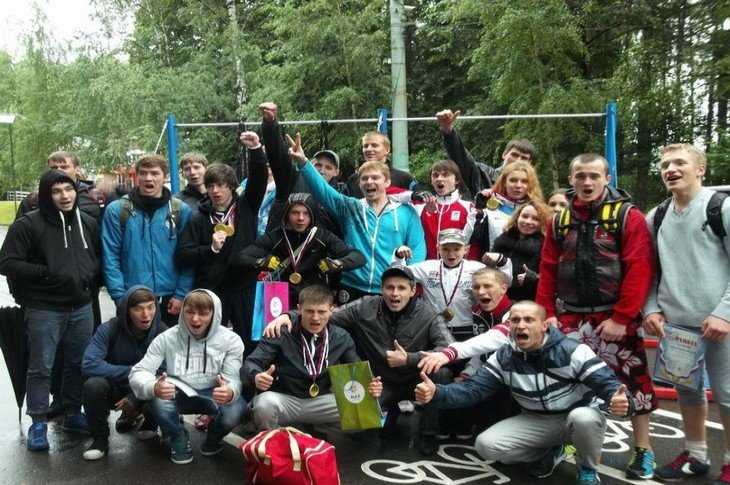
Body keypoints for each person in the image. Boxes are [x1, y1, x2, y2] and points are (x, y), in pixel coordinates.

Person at [414, 300, 634, 485]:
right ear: (508, 326)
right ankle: (551, 451)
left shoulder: (573, 350)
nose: (521, 325)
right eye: (515, 320)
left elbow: (607, 384)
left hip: (574, 417)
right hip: (536, 419)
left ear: (544, 326)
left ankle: (587, 468)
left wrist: (621, 401)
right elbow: (473, 390)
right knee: (486, 446)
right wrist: (436, 393)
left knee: (584, 417)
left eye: (529, 320)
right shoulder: (503, 357)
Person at [536, 153, 657, 479]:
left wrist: (622, 317)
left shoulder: (628, 216)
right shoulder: (558, 220)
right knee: (566, 384)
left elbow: (639, 267)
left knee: (635, 384)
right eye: (580, 176)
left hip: (615, 316)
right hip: (570, 318)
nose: (587, 182)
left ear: (607, 178)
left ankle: (643, 450)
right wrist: (547, 312)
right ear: (571, 179)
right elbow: (548, 269)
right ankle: (568, 445)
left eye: (593, 176)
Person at [264, 265, 454, 455]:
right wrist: (289, 315)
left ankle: (429, 433)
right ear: (381, 289)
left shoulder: (429, 312)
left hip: (416, 379)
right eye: (389, 287)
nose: (395, 293)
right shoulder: (364, 306)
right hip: (378, 383)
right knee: (362, 432)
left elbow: (449, 349)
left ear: (413, 291)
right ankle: (389, 413)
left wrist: (410, 359)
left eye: (401, 288)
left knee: (441, 373)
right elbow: (325, 314)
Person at [643, 144, 730, 484]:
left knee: (727, 393)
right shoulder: (657, 216)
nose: (671, 169)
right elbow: (649, 271)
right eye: (665, 164)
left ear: (700, 169)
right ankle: (696, 455)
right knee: (688, 391)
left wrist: (724, 313)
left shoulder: (721, 208)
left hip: (722, 322)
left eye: (680, 162)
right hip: (678, 325)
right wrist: (651, 308)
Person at [0, 170, 101, 451]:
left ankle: (72, 412)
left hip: (81, 306)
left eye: (68, 189)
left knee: (77, 362)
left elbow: (95, 257)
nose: (64, 196)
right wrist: (46, 272)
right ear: (47, 195)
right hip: (44, 308)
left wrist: (90, 276)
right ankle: (38, 422)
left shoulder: (87, 222)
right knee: (41, 367)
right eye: (57, 191)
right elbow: (6, 262)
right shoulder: (28, 225)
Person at [287, 131, 426, 303]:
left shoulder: (406, 212)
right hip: (351, 288)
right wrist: (303, 161)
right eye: (364, 179)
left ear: (387, 182)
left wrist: (405, 282)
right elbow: (324, 191)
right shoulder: (351, 207)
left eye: (375, 178)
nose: (369, 182)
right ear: (359, 184)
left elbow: (417, 250)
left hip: (389, 289)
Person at [129, 289, 246, 464]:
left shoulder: (231, 340)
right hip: (177, 392)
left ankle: (214, 437)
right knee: (157, 399)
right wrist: (153, 386)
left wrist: (229, 391)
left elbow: (233, 378)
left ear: (215, 315)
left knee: (237, 408)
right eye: (189, 312)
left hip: (213, 393)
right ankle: (177, 436)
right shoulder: (166, 338)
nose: (195, 319)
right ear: (182, 311)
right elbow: (139, 371)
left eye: (203, 313)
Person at [244, 285, 382, 431]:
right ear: (299, 309)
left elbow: (357, 373)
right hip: (286, 400)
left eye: (321, 312)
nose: (315, 318)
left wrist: (371, 385)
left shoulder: (341, 337)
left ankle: (325, 432)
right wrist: (256, 376)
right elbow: (252, 362)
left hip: (320, 402)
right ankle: (271, 439)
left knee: (364, 405)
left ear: (332, 310)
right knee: (264, 404)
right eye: (309, 311)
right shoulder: (280, 332)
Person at [175, 136, 267, 348]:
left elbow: (258, 179)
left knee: (248, 342)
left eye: (221, 185)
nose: (215, 191)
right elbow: (183, 255)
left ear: (232, 186)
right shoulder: (198, 218)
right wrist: (210, 249)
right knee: (211, 344)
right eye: (210, 186)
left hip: (244, 286)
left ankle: (249, 370)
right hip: (213, 290)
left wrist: (255, 149)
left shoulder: (247, 207)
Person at [102, 154, 194, 327]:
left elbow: (188, 257)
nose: (148, 178)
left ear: (164, 176)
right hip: (133, 296)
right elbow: (110, 256)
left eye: (154, 173)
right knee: (133, 344)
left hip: (171, 298)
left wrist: (181, 294)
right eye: (143, 173)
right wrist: (119, 296)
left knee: (170, 343)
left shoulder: (180, 210)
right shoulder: (117, 210)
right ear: (136, 176)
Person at [81, 286, 167, 460]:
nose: (146, 314)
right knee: (93, 385)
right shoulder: (109, 329)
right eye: (138, 309)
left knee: (166, 385)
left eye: (150, 307)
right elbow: (89, 364)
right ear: (127, 311)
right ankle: (100, 440)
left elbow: (166, 371)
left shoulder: (163, 332)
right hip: (116, 388)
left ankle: (153, 424)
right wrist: (133, 372)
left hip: (147, 389)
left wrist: (135, 397)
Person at [235, 192, 365, 302]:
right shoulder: (275, 237)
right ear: (287, 214)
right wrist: (261, 262)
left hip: (314, 299)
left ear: (313, 215)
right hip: (281, 298)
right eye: (295, 213)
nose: (301, 218)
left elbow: (358, 257)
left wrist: (338, 264)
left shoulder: (323, 237)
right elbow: (240, 258)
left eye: (306, 213)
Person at [393, 229, 509, 341]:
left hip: (466, 327)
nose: (451, 254)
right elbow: (396, 275)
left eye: (457, 249)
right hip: (433, 328)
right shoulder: (427, 268)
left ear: (466, 249)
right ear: (438, 248)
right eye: (445, 249)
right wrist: (398, 257)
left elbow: (505, 282)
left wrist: (503, 262)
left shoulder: (476, 268)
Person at [258, 102, 344, 237]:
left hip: (322, 247)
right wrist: (270, 124)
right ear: (310, 164)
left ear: (336, 172)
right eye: (318, 165)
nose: (322, 170)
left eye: (328, 167)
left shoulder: (341, 196)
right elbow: (278, 158)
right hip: (284, 245)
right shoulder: (293, 180)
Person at [436, 108, 536, 195]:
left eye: (524, 158)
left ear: (530, 164)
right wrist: (448, 130)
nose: (518, 160)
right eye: (514, 155)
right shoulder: (483, 174)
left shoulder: (532, 192)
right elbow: (462, 158)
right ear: (504, 154)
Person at [391, 160, 477, 260]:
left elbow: (475, 243)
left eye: (445, 175)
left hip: (458, 266)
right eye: (435, 175)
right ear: (431, 181)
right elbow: (386, 195)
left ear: (457, 180)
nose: (439, 178)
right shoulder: (421, 206)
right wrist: (413, 195)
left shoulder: (469, 208)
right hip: (427, 266)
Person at [468, 161, 544, 258]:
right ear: (504, 182)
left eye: (524, 181)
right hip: (489, 266)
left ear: (531, 184)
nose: (518, 185)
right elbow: (473, 246)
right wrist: (479, 210)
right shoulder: (487, 208)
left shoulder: (540, 212)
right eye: (513, 180)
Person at [17, 151, 104, 222]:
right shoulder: (33, 200)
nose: (58, 171)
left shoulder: (95, 196)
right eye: (54, 168)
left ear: (77, 169)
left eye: (64, 167)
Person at [491, 200, 551, 301]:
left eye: (535, 219)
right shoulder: (503, 238)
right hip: (497, 297)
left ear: (543, 222)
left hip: (526, 300)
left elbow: (549, 280)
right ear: (517, 218)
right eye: (524, 216)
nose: (528, 221)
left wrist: (534, 278)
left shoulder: (545, 246)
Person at [345, 131, 417, 198]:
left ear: (387, 150)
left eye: (374, 145)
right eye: (365, 146)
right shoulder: (353, 180)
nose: (369, 149)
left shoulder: (404, 178)